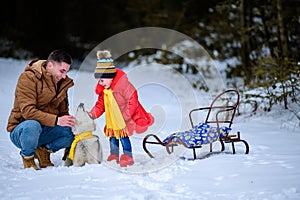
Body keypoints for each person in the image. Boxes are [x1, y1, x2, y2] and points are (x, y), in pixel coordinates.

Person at [7, 49, 76, 170]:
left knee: (70, 132)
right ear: (50, 65)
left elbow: (63, 112)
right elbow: (28, 112)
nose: (64, 76)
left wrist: (69, 122)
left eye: (66, 72)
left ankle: (43, 151)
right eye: (62, 71)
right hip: (23, 131)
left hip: (45, 129)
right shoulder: (28, 78)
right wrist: (56, 120)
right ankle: (28, 157)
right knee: (33, 125)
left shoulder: (62, 82)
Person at [89, 50, 154, 167]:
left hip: (123, 119)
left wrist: (126, 116)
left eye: (102, 80)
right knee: (113, 138)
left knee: (124, 138)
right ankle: (114, 155)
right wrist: (91, 114)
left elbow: (132, 99)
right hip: (112, 121)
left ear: (110, 77)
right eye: (98, 81)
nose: (100, 83)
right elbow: (100, 105)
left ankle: (128, 156)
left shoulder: (123, 86)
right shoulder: (104, 91)